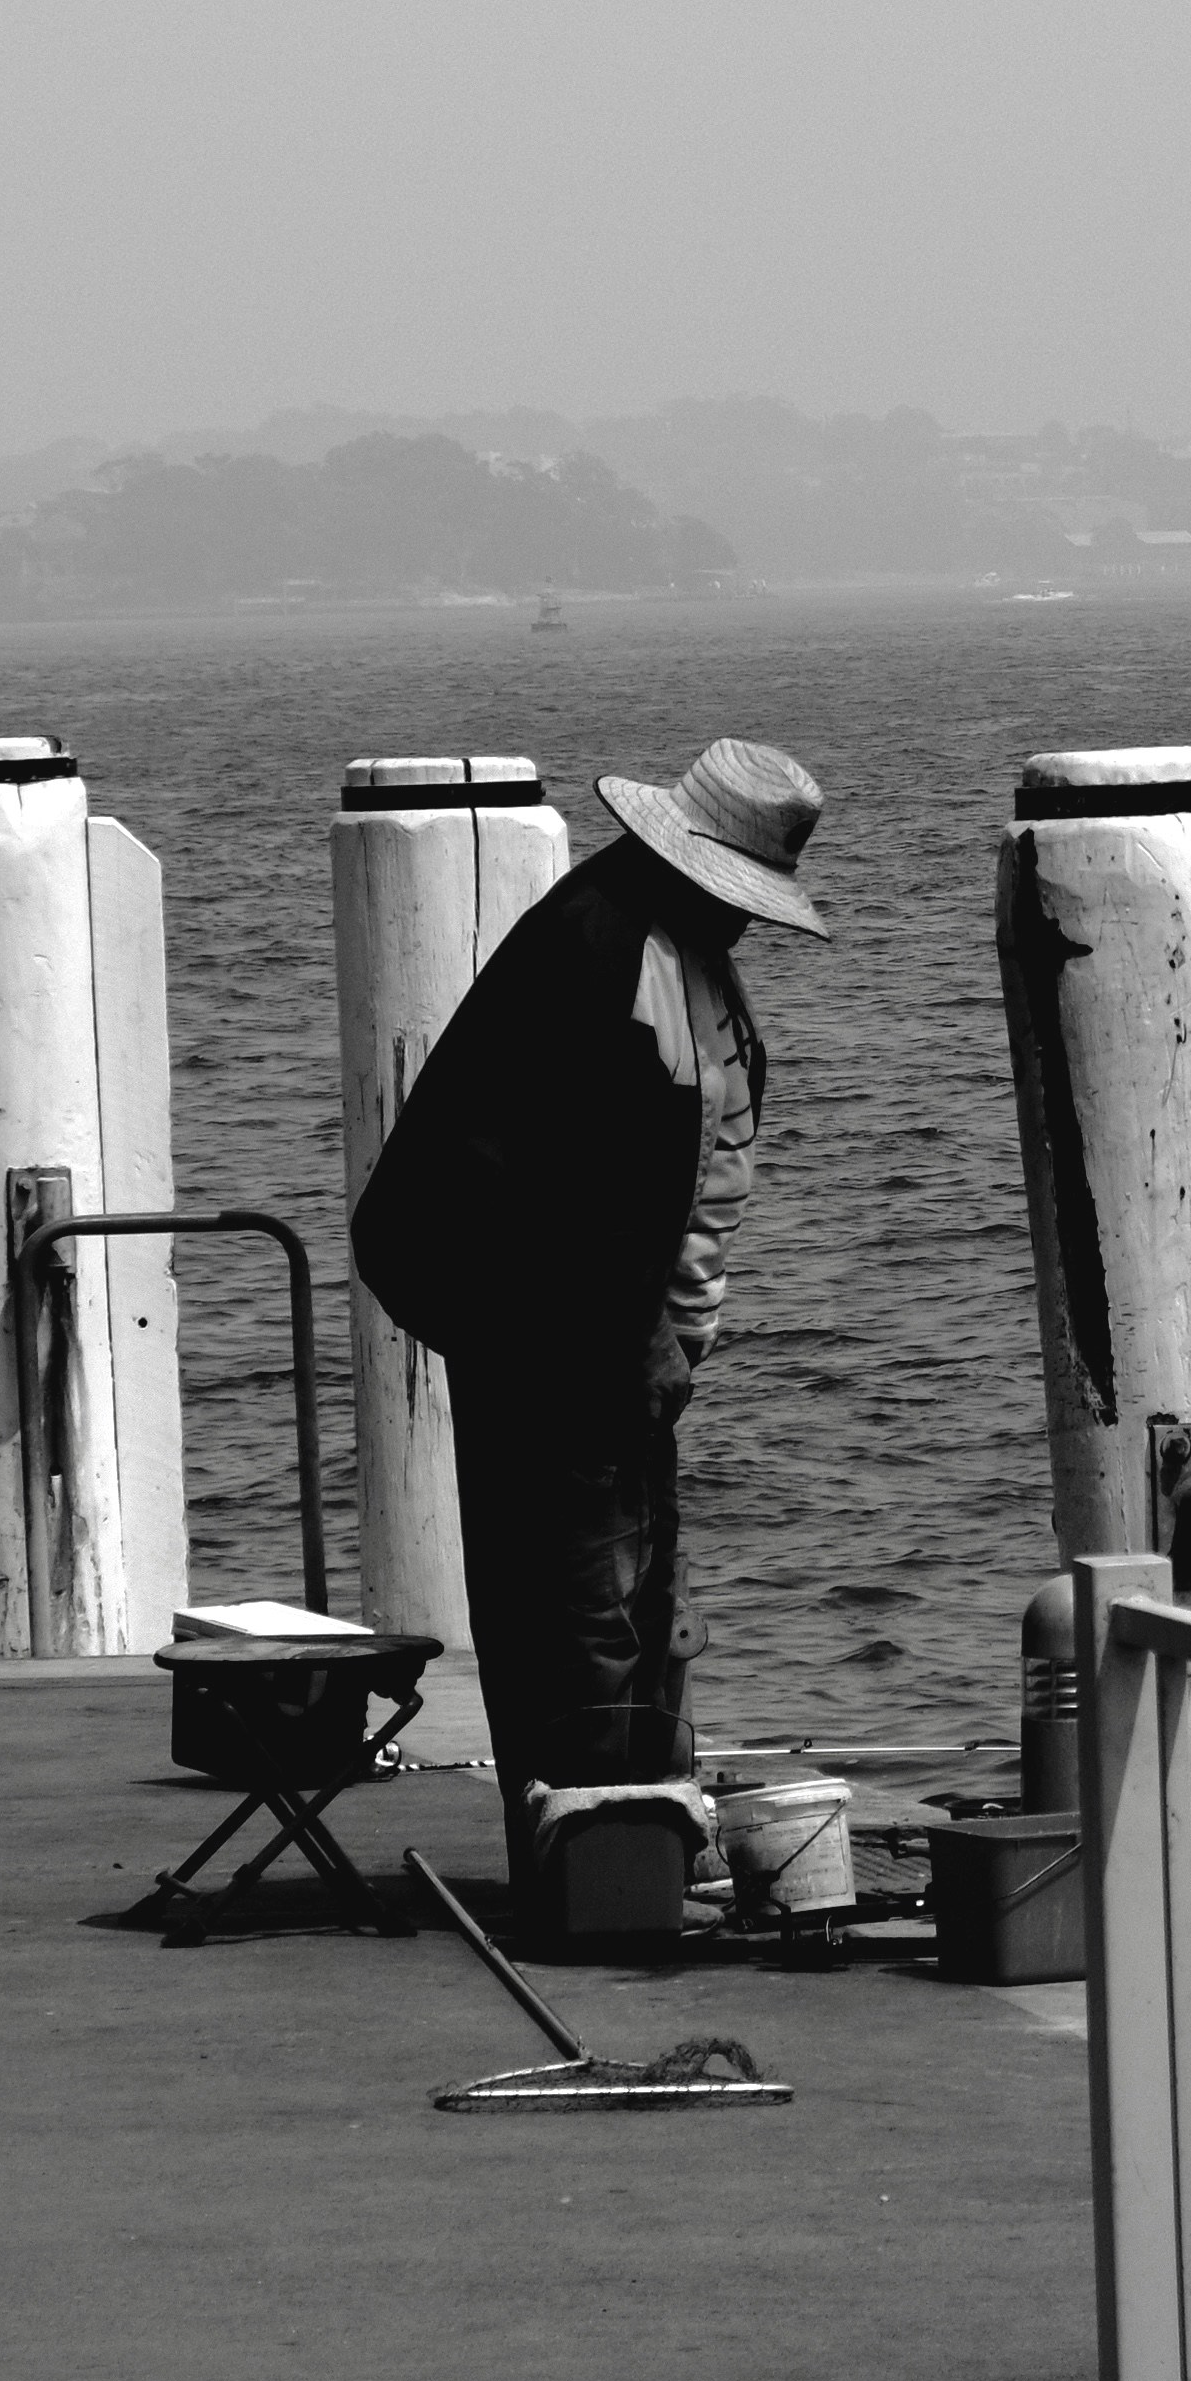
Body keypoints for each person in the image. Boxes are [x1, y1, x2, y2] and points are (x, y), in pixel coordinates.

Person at [348, 738, 824, 1800]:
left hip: (602, 1335)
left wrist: (661, 1340)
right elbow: (564, 1189)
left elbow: (666, 1173)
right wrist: (636, 1341)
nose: (745, 915)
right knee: (581, 1605)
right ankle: (598, 1843)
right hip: (554, 1334)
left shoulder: (669, 940)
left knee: (632, 1594)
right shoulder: (600, 948)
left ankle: (625, 1828)